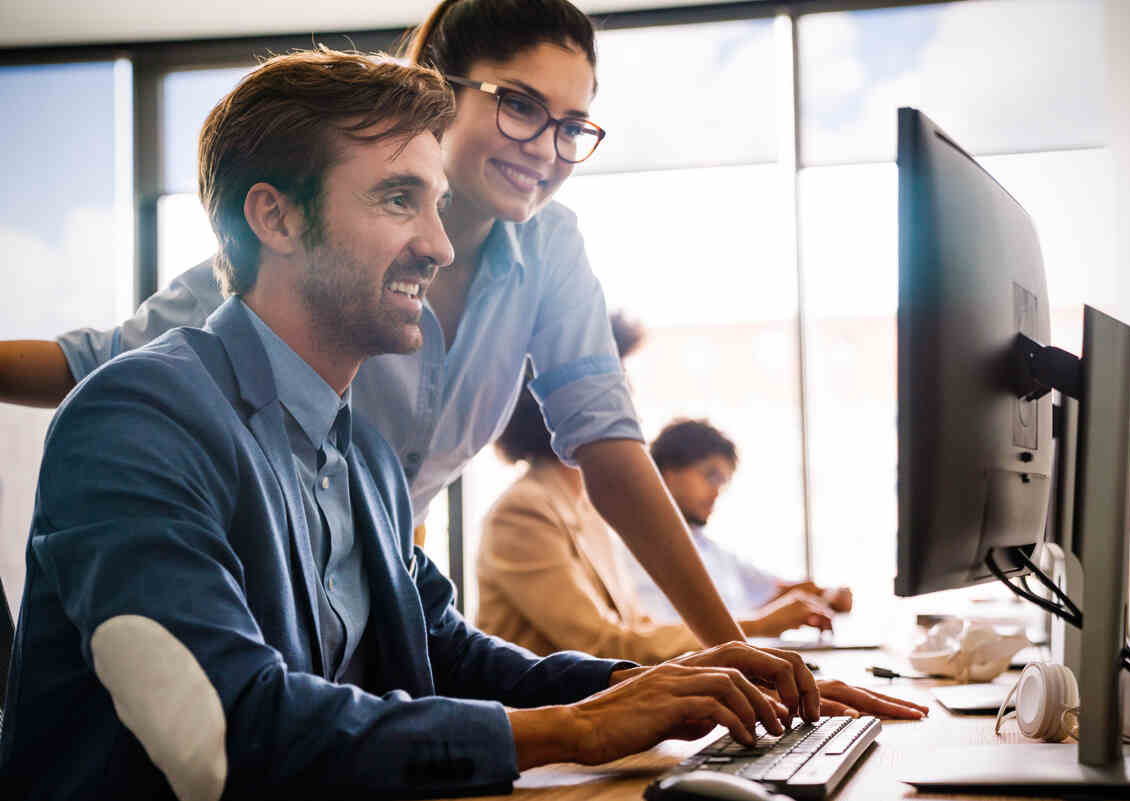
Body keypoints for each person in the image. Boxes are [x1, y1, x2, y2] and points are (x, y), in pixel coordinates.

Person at [0, 49, 898, 801]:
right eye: (399, 201)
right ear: (274, 216)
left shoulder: (361, 453)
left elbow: (443, 650)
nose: (437, 244)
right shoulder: (140, 417)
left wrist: (656, 688)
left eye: (434, 203)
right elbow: (222, 727)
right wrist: (578, 729)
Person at [0, 0, 742, 648]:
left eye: (572, 125)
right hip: (271, 593)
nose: (547, 148)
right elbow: (94, 364)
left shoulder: (550, 250)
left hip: (386, 585)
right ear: (441, 92)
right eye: (519, 104)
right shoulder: (309, 246)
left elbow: (605, 441)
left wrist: (729, 651)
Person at [476, 319, 841, 667]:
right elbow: (603, 644)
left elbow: (641, 627)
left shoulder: (588, 507)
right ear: (551, 403)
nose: (626, 395)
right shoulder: (523, 512)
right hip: (548, 720)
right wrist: (755, 628)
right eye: (612, 381)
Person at [631, 419, 854, 623]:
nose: (717, 491)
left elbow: (777, 590)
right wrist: (761, 625)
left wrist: (826, 595)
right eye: (710, 476)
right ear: (669, 471)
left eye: (723, 482)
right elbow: (660, 636)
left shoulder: (710, 549)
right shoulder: (633, 549)